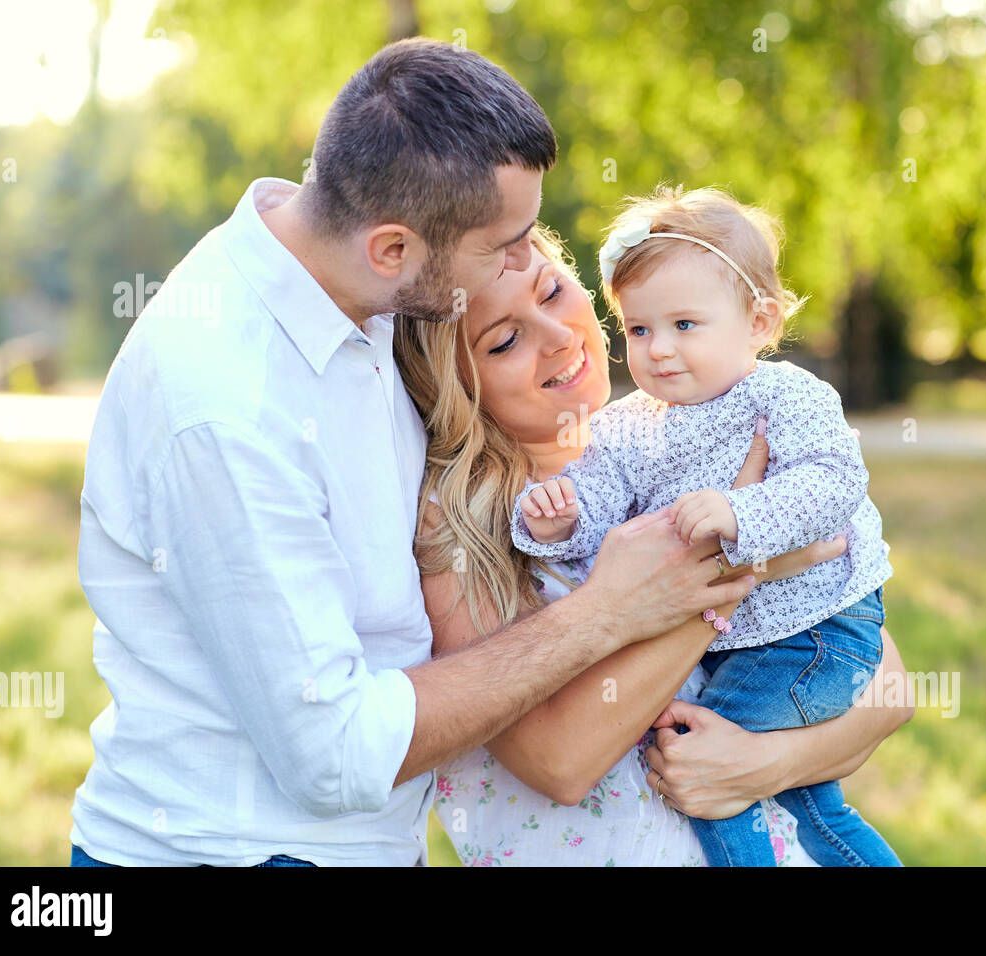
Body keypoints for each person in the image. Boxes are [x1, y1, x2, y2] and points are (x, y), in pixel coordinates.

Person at [68, 38, 760, 867]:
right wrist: (609, 609)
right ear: (394, 249)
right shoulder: (223, 404)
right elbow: (333, 754)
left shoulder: (358, 272)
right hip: (236, 853)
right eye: (504, 246)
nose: (525, 264)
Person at [391, 223, 914, 865]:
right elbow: (558, 763)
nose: (557, 338)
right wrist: (724, 577)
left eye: (553, 293)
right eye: (504, 341)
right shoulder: (461, 525)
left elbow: (890, 689)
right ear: (454, 379)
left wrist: (761, 765)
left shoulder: (675, 442)